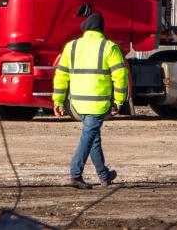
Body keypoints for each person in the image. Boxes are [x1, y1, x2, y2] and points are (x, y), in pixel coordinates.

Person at [52, 13, 128, 189]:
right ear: (102, 29)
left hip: (77, 102)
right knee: (88, 136)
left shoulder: (71, 46)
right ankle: (75, 174)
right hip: (98, 102)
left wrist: (58, 101)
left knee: (93, 136)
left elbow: (61, 76)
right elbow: (120, 76)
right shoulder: (109, 47)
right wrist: (119, 101)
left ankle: (104, 175)